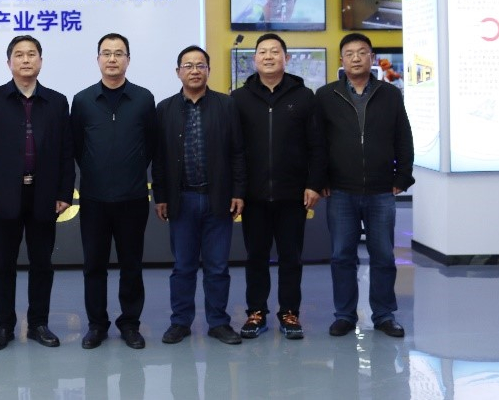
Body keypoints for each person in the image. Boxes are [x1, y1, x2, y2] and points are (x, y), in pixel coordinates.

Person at [0, 35, 75, 350]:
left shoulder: (57, 102)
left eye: (32, 54)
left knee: (42, 263)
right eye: (19, 55)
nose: (26, 60)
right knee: (3, 264)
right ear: (9, 63)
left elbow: (66, 151)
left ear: (41, 61)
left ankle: (38, 324)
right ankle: (4, 326)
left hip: (44, 194)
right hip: (3, 196)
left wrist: (64, 193)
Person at [316, 33, 414, 338]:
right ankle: (345, 315)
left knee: (383, 255)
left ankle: (384, 314)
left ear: (372, 57)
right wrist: (320, 180)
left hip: (381, 189)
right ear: (341, 60)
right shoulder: (326, 95)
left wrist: (402, 176)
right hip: (340, 190)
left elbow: (403, 137)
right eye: (350, 53)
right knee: (341, 256)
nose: (356, 58)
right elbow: (317, 143)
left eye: (362, 52)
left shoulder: (390, 94)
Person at [231, 33, 326, 340]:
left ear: (287, 58)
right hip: (254, 196)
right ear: (254, 59)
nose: (269, 56)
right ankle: (256, 312)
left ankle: (289, 312)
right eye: (263, 52)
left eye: (275, 51)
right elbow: (235, 149)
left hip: (292, 194)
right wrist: (238, 190)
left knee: (291, 258)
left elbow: (317, 146)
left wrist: (314, 184)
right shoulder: (239, 98)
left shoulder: (304, 97)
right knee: (255, 257)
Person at [153, 45, 246, 345]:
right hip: (182, 200)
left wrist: (238, 191)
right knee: (183, 267)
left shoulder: (226, 105)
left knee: (217, 267)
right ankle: (180, 322)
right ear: (178, 71)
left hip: (218, 198)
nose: (194, 70)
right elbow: (159, 158)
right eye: (188, 65)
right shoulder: (164, 109)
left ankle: (218, 322)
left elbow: (238, 152)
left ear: (208, 70)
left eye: (200, 65)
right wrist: (161, 196)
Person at [71, 33, 157, 350]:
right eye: (106, 53)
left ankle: (130, 324)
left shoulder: (144, 98)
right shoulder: (83, 100)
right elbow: (77, 146)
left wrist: (129, 169)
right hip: (94, 199)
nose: (112, 59)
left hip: (132, 198)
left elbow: (150, 144)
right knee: (94, 266)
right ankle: (97, 325)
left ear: (128, 60)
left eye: (118, 53)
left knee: (131, 266)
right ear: (98, 59)